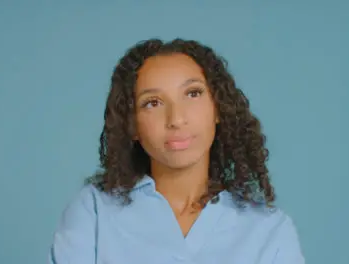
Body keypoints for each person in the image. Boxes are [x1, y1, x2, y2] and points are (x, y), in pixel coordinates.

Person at [49, 38, 305, 264]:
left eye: (192, 94)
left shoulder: (271, 231)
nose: (176, 119)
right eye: (152, 103)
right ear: (132, 125)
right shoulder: (93, 212)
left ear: (218, 109)